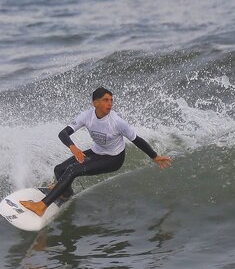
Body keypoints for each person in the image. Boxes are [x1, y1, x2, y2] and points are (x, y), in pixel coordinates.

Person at [20, 87, 172, 217]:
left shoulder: (117, 122)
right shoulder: (87, 116)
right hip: (97, 151)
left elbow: (137, 140)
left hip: (113, 159)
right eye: (106, 100)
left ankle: (41, 206)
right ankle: (65, 193)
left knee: (73, 170)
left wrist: (155, 156)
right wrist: (74, 147)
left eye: (111, 100)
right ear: (95, 103)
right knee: (59, 169)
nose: (110, 103)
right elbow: (63, 134)